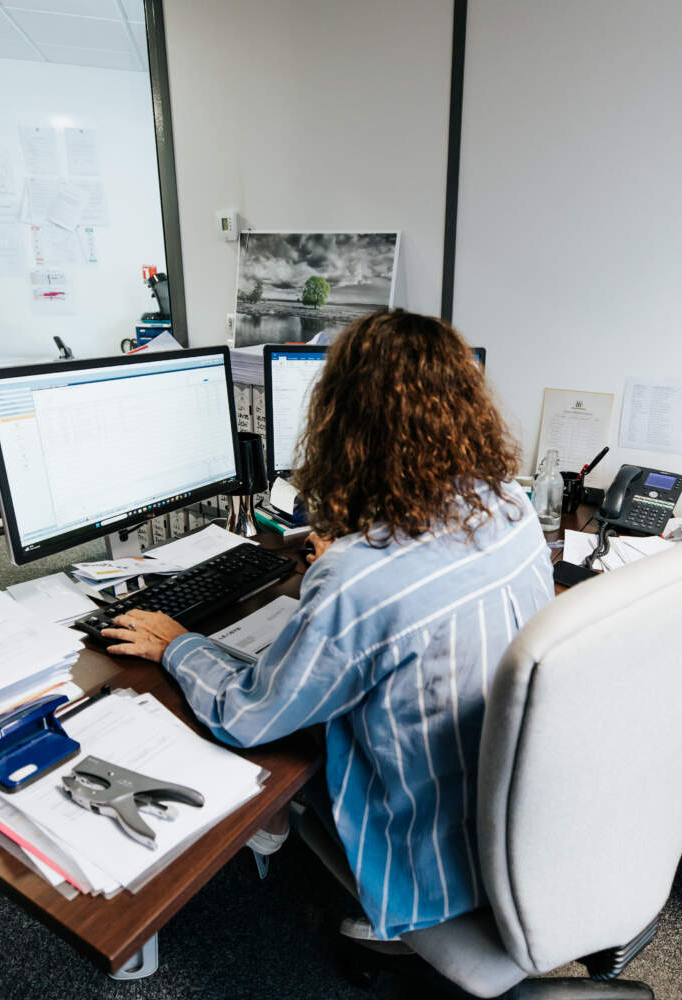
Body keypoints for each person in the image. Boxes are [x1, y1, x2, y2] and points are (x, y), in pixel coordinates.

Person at [101, 309, 554, 941]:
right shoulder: (509, 505)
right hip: (518, 815)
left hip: (431, 863)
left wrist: (175, 642)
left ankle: (267, 823)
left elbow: (247, 714)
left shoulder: (359, 579)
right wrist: (350, 552)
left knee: (254, 720)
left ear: (344, 427)